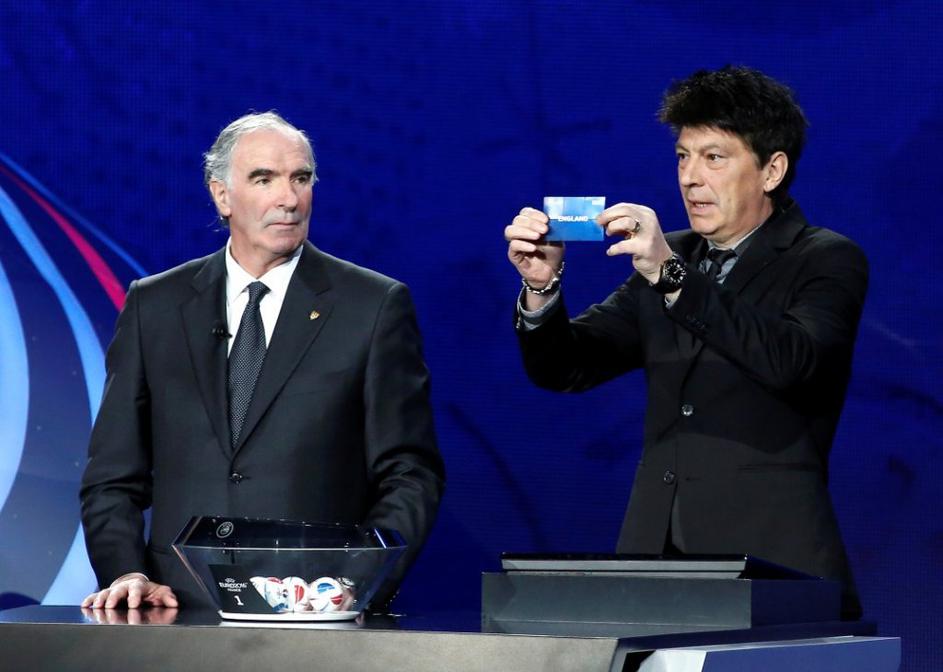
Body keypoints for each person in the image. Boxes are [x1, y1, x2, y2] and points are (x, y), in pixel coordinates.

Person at [505, 66, 867, 619]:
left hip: (775, 565)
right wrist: (541, 288)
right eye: (682, 157)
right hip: (656, 563)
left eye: (713, 158)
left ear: (772, 170)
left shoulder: (825, 258)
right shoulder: (670, 258)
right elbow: (567, 367)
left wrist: (671, 275)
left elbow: (793, 361)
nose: (690, 178)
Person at [80, 112, 445, 610]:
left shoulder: (373, 306)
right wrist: (128, 572)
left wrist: (352, 584)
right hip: (175, 610)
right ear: (222, 195)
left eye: (301, 178)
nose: (289, 198)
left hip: (315, 611)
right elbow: (112, 476)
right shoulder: (155, 305)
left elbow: (410, 474)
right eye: (264, 179)